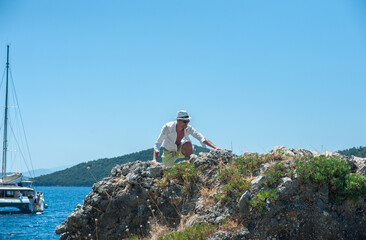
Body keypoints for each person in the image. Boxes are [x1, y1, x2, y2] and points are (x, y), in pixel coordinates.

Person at [152, 110, 223, 167]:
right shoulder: (167, 127)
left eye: (188, 121)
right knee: (167, 172)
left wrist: (215, 147)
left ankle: (188, 166)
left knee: (188, 144)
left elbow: (201, 137)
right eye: (184, 121)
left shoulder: (188, 128)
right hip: (169, 152)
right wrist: (155, 159)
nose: (186, 123)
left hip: (180, 149)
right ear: (178, 120)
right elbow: (158, 143)